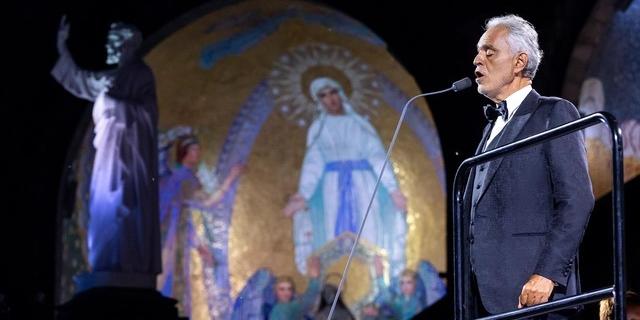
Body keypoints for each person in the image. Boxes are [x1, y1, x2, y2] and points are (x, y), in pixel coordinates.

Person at [466, 14, 594, 318]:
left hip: (537, 298)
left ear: (519, 61)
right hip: (484, 300)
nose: (477, 60)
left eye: (489, 51)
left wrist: (547, 275)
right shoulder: (490, 128)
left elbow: (576, 199)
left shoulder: (553, 113)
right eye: (478, 51)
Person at [52, 16, 162, 289]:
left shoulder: (140, 74)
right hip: (108, 155)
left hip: (130, 156)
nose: (109, 48)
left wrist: (114, 105)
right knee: (104, 207)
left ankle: (127, 264)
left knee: (123, 205)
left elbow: (148, 114)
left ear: (129, 44)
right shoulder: (112, 77)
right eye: (108, 43)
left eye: (114, 42)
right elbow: (80, 80)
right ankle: (106, 263)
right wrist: (61, 47)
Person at [283, 77, 408, 276]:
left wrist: (392, 190)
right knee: (333, 232)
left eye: (332, 92)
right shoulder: (319, 128)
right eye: (323, 96)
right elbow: (313, 163)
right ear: (318, 101)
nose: (330, 99)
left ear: (340, 94)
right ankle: (338, 283)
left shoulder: (359, 125)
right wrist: (303, 195)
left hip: (363, 185)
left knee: (369, 229)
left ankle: (374, 282)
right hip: (333, 187)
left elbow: (377, 157)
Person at [157, 134, 244, 317]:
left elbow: (183, 217)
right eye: (195, 149)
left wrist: (199, 245)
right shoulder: (181, 177)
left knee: (173, 283)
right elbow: (209, 202)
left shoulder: (186, 177)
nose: (198, 153)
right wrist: (231, 177)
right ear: (184, 152)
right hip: (166, 239)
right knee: (164, 278)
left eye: (198, 149)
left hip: (175, 238)